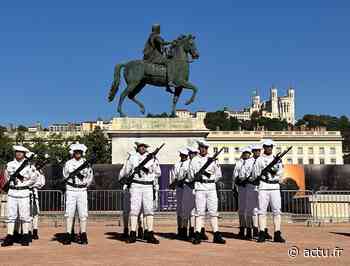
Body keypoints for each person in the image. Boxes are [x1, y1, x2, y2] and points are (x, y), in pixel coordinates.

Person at [119, 142, 161, 244]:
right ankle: (132, 233)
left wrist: (149, 168)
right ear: (137, 148)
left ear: (146, 148)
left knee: (149, 209)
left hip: (148, 185)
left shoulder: (153, 158)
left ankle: (150, 233)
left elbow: (158, 172)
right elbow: (126, 171)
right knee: (134, 209)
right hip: (136, 185)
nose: (142, 148)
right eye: (140, 146)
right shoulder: (132, 158)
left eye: (144, 147)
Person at [189, 141, 225, 245]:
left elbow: (218, 175)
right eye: (201, 147)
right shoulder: (194, 160)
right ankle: (197, 234)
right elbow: (191, 175)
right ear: (199, 148)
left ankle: (216, 234)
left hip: (211, 187)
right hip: (200, 187)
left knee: (213, 212)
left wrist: (209, 178)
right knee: (199, 212)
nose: (203, 149)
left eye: (205, 147)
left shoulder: (213, 160)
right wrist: (198, 177)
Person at [1, 146, 37, 247]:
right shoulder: (9, 164)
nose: (19, 154)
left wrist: (25, 183)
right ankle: (10, 236)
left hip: (23, 193)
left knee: (24, 216)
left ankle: (25, 236)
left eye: (21, 152)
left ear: (24, 154)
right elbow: (6, 177)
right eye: (17, 152)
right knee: (11, 216)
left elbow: (34, 179)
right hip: (12, 192)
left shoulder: (29, 166)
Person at [252, 139, 286, 243]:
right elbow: (255, 173)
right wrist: (263, 175)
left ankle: (277, 233)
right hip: (263, 186)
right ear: (264, 148)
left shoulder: (278, 159)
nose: (269, 148)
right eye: (267, 146)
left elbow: (280, 172)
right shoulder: (259, 160)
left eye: (270, 146)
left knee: (277, 211)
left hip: (275, 186)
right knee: (262, 211)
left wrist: (272, 172)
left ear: (272, 147)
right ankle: (262, 232)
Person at [62, 143, 94, 245]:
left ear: (82, 153)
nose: (78, 154)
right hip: (71, 190)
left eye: (79, 152)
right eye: (76, 152)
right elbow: (65, 175)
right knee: (69, 213)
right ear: (73, 153)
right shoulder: (68, 163)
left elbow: (89, 177)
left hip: (81, 190)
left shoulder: (86, 164)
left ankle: (83, 234)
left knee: (83, 214)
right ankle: (68, 234)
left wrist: (84, 185)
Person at [143, 24, 175, 88]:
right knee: (170, 62)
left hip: (153, 55)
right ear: (157, 29)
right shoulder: (155, 36)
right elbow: (162, 42)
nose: (160, 30)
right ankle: (170, 81)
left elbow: (161, 47)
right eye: (159, 29)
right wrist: (171, 42)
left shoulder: (152, 36)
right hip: (153, 57)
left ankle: (167, 85)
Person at [169, 148, 190, 240]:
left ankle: (188, 229)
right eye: (181, 154)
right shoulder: (176, 164)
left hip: (187, 188)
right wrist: (173, 183)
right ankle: (180, 229)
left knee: (188, 209)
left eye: (184, 155)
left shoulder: (190, 163)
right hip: (179, 188)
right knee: (179, 209)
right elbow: (173, 176)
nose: (183, 156)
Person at [233, 146, 252, 239]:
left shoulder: (252, 162)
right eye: (244, 153)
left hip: (249, 187)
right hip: (240, 188)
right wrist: (235, 185)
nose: (246, 154)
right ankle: (242, 228)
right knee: (241, 209)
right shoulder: (238, 163)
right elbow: (235, 175)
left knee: (249, 209)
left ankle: (249, 230)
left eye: (247, 153)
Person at [29, 165, 46, 240]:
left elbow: (42, 183)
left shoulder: (38, 172)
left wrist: (33, 184)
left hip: (34, 192)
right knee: (28, 214)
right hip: (25, 192)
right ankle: (28, 231)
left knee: (35, 214)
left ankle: (35, 231)